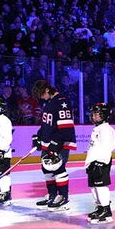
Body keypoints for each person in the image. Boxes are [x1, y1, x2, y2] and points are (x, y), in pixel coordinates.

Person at [32, 79, 76, 211]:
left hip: (59, 142)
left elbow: (66, 125)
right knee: (46, 168)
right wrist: (39, 136)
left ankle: (63, 197)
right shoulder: (50, 102)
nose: (40, 98)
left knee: (57, 167)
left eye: (41, 94)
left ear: (47, 90)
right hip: (48, 142)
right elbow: (47, 123)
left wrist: (56, 143)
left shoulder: (62, 101)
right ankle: (52, 194)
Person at [84, 103, 115, 224]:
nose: (94, 117)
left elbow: (107, 147)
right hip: (93, 162)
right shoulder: (97, 128)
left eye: (96, 115)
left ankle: (106, 210)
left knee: (101, 186)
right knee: (93, 186)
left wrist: (101, 162)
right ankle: (100, 208)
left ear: (104, 115)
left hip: (101, 162)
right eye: (93, 115)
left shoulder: (107, 130)